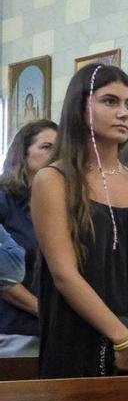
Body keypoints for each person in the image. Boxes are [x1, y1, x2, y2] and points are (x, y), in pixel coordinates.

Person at [30, 64, 128, 378]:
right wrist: (122, 338)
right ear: (80, 106)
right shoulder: (54, 179)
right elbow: (64, 275)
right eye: (110, 101)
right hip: (79, 337)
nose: (124, 112)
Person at [0, 119, 56, 357]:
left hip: (59, 333)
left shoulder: (65, 204)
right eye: (46, 147)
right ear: (23, 155)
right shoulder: (5, 201)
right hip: (15, 334)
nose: (56, 155)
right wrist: (45, 312)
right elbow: (3, 278)